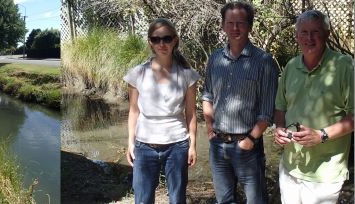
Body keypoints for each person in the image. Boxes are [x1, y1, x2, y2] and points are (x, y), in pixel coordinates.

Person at [201, 1, 279, 203]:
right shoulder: (215, 58)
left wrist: (250, 141)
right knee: (224, 200)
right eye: (230, 23)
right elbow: (207, 95)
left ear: (250, 26)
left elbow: (267, 111)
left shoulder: (264, 61)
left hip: (248, 146)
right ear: (223, 25)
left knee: (256, 200)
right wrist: (210, 128)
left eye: (241, 23)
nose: (235, 28)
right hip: (218, 145)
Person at [274, 10, 353, 204]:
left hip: (325, 173)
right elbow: (280, 108)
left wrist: (321, 135)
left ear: (326, 35)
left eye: (316, 32)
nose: (309, 38)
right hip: (291, 167)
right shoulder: (291, 67)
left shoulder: (344, 67)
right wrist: (279, 129)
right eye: (304, 32)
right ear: (297, 36)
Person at [123, 18, 200, 204]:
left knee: (177, 198)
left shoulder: (187, 74)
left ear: (175, 40)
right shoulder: (138, 73)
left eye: (166, 38)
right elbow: (133, 112)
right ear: (150, 42)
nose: (162, 44)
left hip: (177, 145)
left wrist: (193, 145)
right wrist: (130, 143)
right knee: (142, 199)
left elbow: (191, 114)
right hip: (144, 145)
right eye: (156, 39)